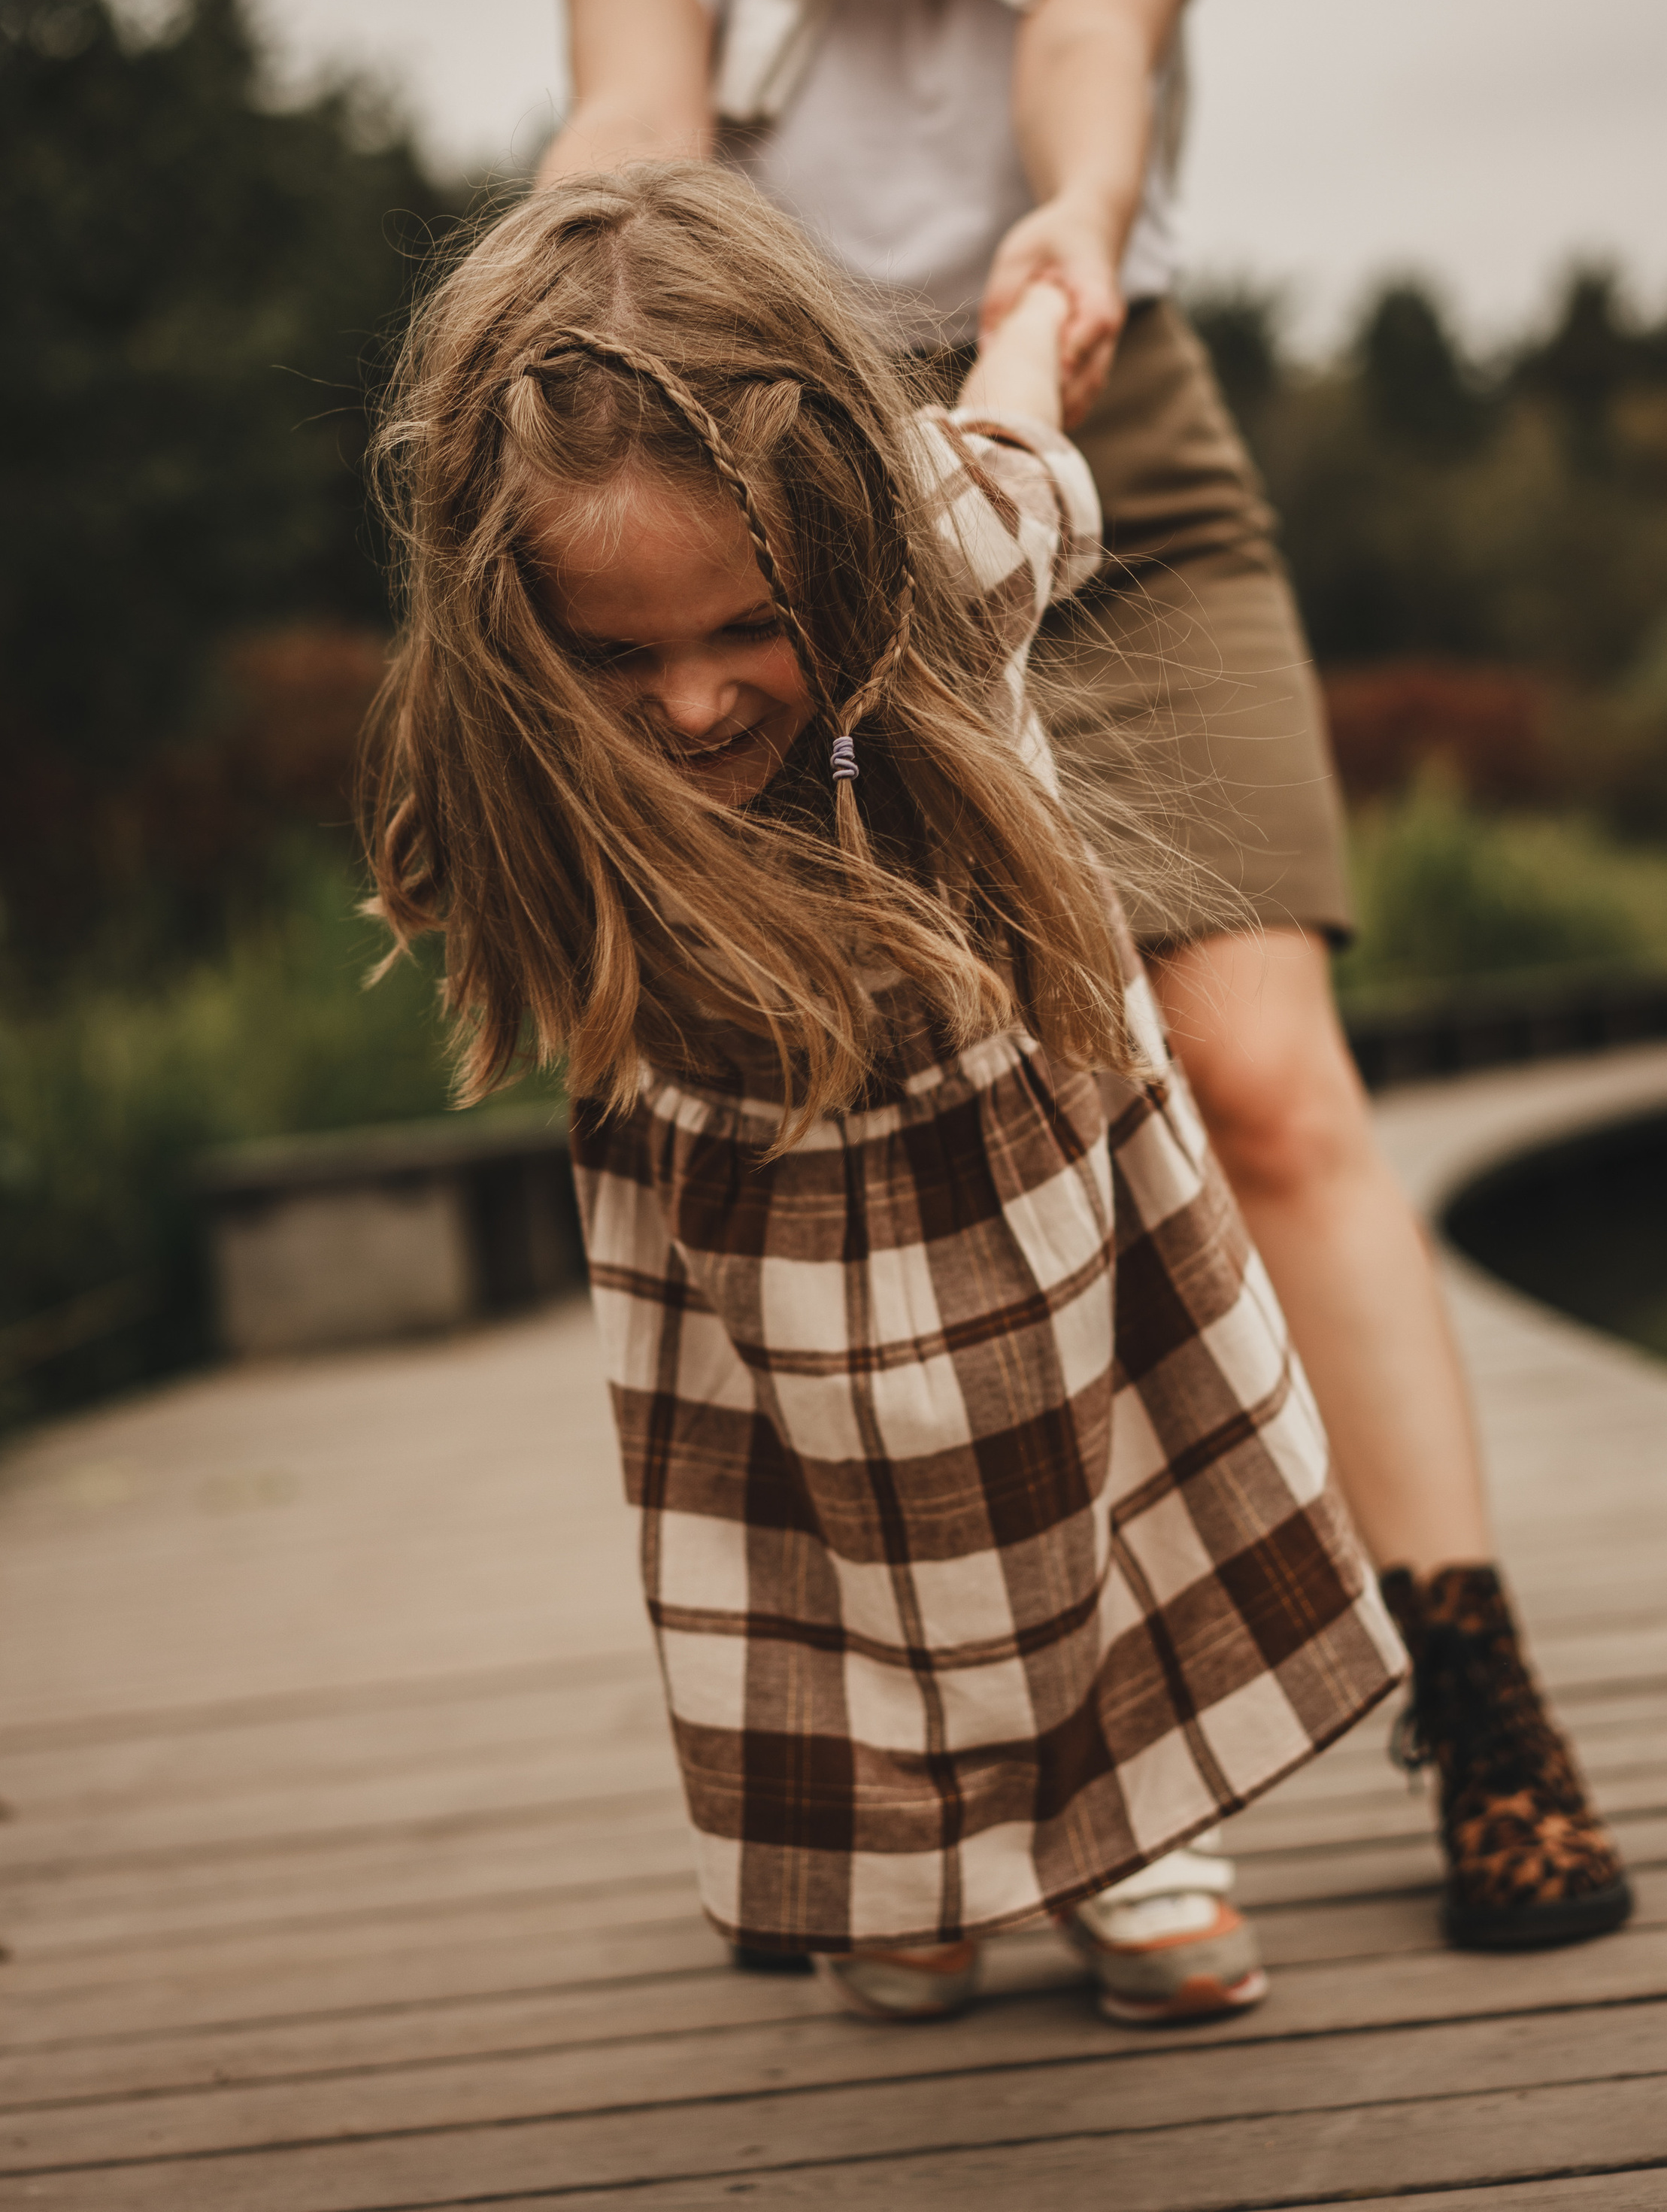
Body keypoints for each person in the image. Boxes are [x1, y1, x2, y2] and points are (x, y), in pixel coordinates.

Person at [538, 0, 1629, 1955]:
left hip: (1096, 441)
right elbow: (635, 120)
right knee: (885, 1150)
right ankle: (917, 1798)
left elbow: (1096, 45)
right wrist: (555, 283)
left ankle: (1477, 1700)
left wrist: (1066, 250)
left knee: (1261, 1081)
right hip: (777, 520)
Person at [361, 162, 1406, 2022]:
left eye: (742, 626)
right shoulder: (513, 716)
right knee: (827, 1535)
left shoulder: (939, 555)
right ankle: (904, 1864)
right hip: (746, 1215)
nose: (692, 705)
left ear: (839, 536)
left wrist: (1044, 291)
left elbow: (1019, 434)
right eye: (620, 656)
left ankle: (1130, 1838)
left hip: (1022, 1158)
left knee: (1074, 1482)